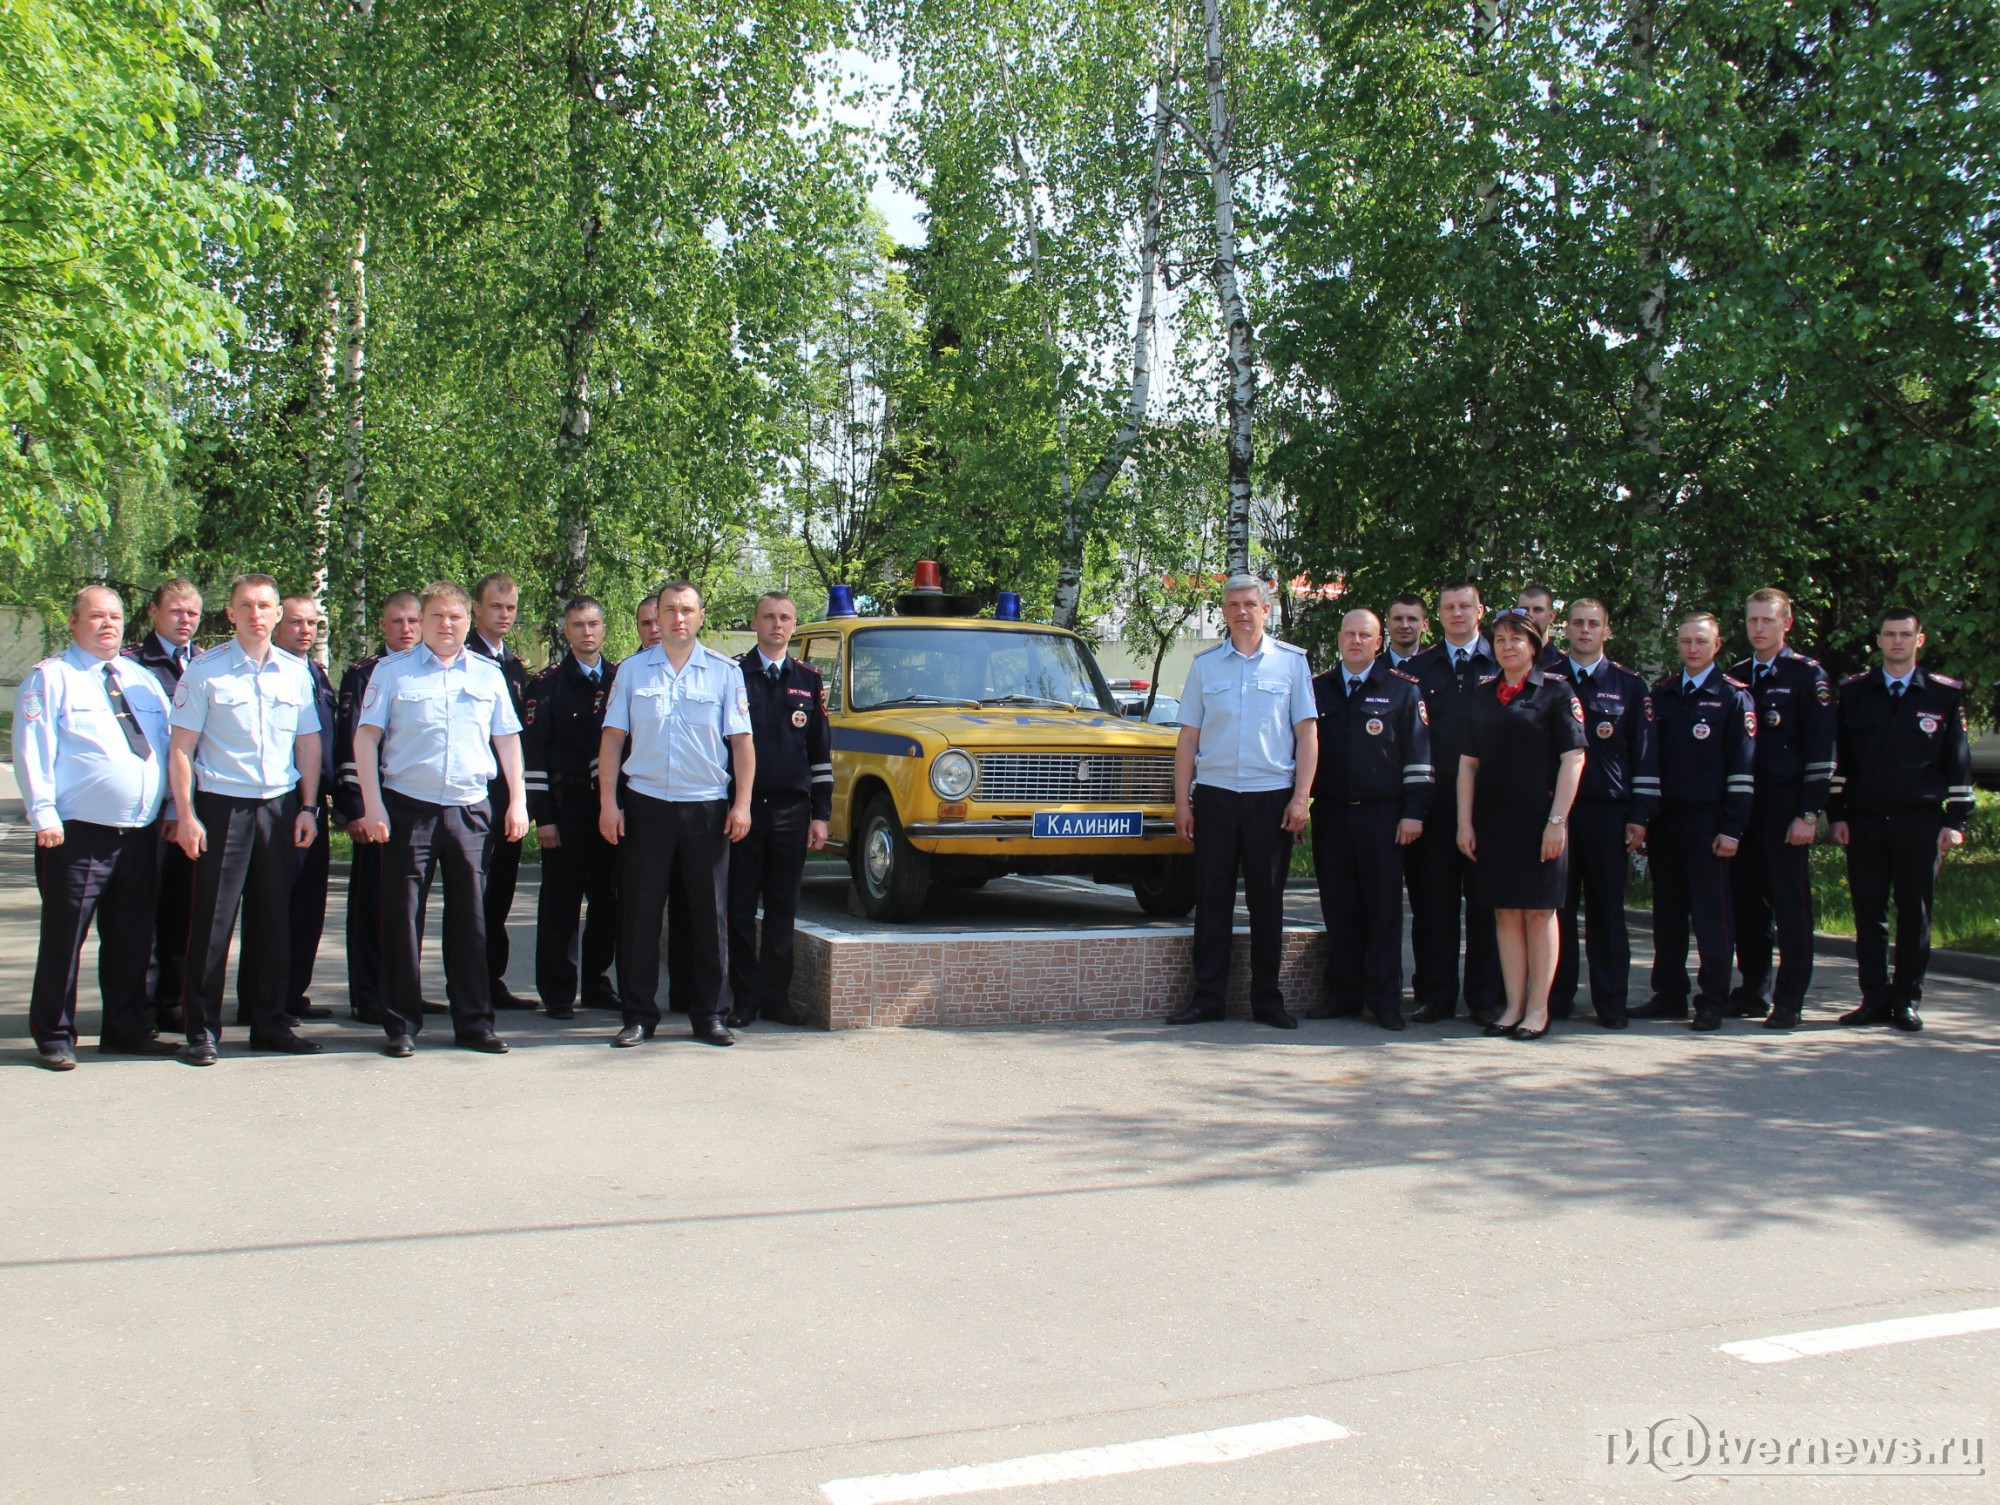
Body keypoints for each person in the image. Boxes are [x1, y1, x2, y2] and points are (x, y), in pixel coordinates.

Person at [352, 580, 527, 1057]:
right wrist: (373, 804)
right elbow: (365, 738)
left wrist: (518, 802)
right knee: (402, 919)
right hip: (408, 807)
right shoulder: (392, 672)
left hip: (471, 808)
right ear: (423, 621)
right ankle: (401, 1025)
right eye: (437, 617)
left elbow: (508, 740)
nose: (447, 625)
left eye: (455, 617)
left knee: (471, 919)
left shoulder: (488, 674)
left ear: (468, 620)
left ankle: (473, 1022)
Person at [17, 586, 179, 1069]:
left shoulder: (142, 681)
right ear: (73, 622)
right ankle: (54, 1034)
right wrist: (43, 815)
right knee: (66, 937)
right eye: (96, 617)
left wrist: (171, 808)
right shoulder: (52, 678)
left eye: (114, 616)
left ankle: (126, 1029)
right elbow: (33, 748)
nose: (108, 624)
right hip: (77, 833)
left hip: (140, 832)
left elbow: (167, 750)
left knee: (132, 938)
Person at [167, 573, 325, 1063]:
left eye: (264, 606)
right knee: (213, 923)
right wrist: (187, 813)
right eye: (246, 606)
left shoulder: (296, 673)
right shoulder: (205, 671)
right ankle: (202, 1031)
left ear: (277, 614)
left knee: (274, 922)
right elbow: (180, 749)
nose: (256, 615)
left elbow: (308, 743)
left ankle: (270, 1023)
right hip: (222, 806)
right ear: (230, 614)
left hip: (278, 808)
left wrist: (308, 806)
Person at [599, 581, 754, 1047]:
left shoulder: (726, 673)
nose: (678, 618)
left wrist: (742, 803)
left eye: (687, 610)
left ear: (701, 616)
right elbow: (611, 741)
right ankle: (639, 1015)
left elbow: (742, 744)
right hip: (646, 805)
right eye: (669, 610)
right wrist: (609, 802)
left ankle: (709, 1015)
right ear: (657, 617)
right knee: (641, 915)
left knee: (710, 916)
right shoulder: (631, 672)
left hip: (706, 805)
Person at [1167, 574, 1318, 1028]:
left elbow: (1307, 735)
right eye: (1233, 604)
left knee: (1266, 902)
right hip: (1214, 797)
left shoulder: (1291, 664)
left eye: (1251, 604)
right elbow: (1188, 739)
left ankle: (1267, 1001)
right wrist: (1181, 802)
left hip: (1269, 799)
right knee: (1211, 900)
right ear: (1225, 611)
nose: (1242, 612)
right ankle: (1207, 998)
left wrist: (1301, 799)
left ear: (1266, 609)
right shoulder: (1205, 666)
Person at [1827, 609, 1974, 1033]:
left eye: (1905, 635)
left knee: (1916, 912)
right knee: (1868, 914)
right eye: (1889, 634)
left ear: (1919, 641)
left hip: (1920, 821)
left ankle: (1907, 999)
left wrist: (1957, 820)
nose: (1897, 642)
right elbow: (1842, 762)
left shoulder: (1942, 696)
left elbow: (1958, 763)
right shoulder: (1855, 693)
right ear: (1877, 640)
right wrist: (1836, 814)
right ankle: (1873, 999)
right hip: (1866, 821)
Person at [1457, 611, 1586, 1039]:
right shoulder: (1482, 694)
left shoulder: (1556, 692)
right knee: (1505, 913)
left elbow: (1574, 759)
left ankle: (1538, 1009)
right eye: (1499, 639)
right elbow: (1468, 765)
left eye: (1517, 639)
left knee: (1538, 912)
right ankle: (1511, 1007)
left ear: (1534, 645)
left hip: (1539, 821)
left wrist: (1557, 821)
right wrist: (1464, 823)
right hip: (1494, 822)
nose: (1507, 646)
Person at [1307, 608, 1431, 1030]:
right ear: (1339, 639)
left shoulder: (1402, 691)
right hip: (1330, 813)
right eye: (1349, 634)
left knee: (1383, 910)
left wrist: (1414, 813)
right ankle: (1343, 993)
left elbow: (1418, 759)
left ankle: (1384, 1000)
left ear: (1379, 643)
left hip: (1383, 815)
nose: (1356, 641)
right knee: (1338, 906)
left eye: (1365, 635)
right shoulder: (1316, 690)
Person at [1637, 612, 1756, 1030]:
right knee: (1667, 912)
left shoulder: (1733, 696)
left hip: (1710, 821)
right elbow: (1648, 761)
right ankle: (1669, 993)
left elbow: (1742, 770)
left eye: (1700, 642)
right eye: (1686, 641)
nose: (1692, 648)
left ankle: (1713, 998)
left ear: (1717, 645)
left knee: (1712, 914)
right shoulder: (1663, 694)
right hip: (1667, 820)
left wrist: (1732, 827)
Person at [1728, 588, 1836, 1029]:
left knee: (1790, 906)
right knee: (1747, 904)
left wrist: (1809, 812)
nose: (1759, 629)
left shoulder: (1808, 677)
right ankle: (1754, 989)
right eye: (1753, 620)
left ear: (1786, 624)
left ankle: (1790, 998)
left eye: (1768, 621)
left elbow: (1822, 751)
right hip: (1744, 807)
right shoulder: (1736, 675)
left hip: (1786, 806)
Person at [1548, 598, 1658, 1028]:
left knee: (1607, 912)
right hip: (1558, 813)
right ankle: (1557, 998)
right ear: (1566, 630)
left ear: (1607, 631)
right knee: (1556, 908)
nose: (1585, 631)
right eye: (1577, 623)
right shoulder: (1549, 681)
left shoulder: (1630, 686)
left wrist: (1640, 815)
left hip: (1608, 814)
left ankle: (1610, 1002)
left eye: (1594, 624)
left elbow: (1644, 757)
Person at [726, 591, 832, 1028]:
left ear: (794, 624)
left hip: (791, 811)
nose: (777, 624)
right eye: (768, 616)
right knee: (737, 910)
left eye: (785, 617)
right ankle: (743, 1000)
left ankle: (776, 998)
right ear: (754, 622)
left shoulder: (807, 679)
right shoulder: (732, 674)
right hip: (743, 810)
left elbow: (820, 751)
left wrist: (821, 814)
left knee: (783, 909)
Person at [1404, 581, 1503, 1023]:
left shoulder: (1502, 661)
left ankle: (1485, 998)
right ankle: (1437, 994)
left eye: (1465, 606)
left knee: (1486, 905)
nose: (1458, 614)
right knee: (1435, 906)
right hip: (1438, 804)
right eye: (1449, 607)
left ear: (1480, 610)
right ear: (1437, 616)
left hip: (1492, 804)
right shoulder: (1419, 668)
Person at [522, 596, 621, 1020]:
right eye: (578, 625)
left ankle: (597, 984)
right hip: (567, 806)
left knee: (608, 899)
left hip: (610, 805)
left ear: (604, 629)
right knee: (561, 902)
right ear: (566, 631)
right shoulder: (546, 686)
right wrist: (543, 816)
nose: (586, 632)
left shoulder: (621, 679)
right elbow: (534, 757)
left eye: (593, 624)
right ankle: (558, 992)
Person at [334, 591, 423, 1025]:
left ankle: (406, 991)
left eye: (412, 621)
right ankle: (367, 995)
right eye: (396, 622)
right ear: (383, 627)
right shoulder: (365, 674)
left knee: (409, 907)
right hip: (376, 806)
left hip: (417, 807)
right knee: (372, 904)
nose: (406, 629)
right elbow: (352, 742)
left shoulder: (427, 667)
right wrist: (356, 808)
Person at [123, 576, 203, 1033]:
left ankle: (174, 1001)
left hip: (194, 809)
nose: (185, 620)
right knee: (144, 914)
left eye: (192, 612)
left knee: (185, 910)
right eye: (175, 611)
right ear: (154, 612)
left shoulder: (208, 664)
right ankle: (142, 1007)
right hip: (152, 811)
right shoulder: (134, 664)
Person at [466, 571, 534, 1009]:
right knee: (471, 897)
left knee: (500, 894)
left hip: (507, 798)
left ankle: (491, 979)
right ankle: (469, 986)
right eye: (496, 606)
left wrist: (522, 799)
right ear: (476, 609)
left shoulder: (513, 666)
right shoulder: (465, 657)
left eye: (510, 608)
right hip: (473, 796)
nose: (504, 615)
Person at [271, 595, 336, 1024]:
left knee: (308, 905)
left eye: (313, 623)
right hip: (280, 800)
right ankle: (268, 998)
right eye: (296, 622)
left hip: (314, 804)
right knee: (275, 904)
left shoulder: (315, 673)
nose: (306, 631)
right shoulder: (273, 670)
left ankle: (293, 992)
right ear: (277, 624)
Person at [1516, 585, 1568, 674]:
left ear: (1551, 616)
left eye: (1538, 610)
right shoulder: (1501, 660)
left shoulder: (1564, 665)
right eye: (1524, 610)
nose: (1530, 615)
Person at [1383, 595, 1429, 670]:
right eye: (1398, 619)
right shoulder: (1370, 669)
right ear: (1388, 624)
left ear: (1424, 625)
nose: (1404, 626)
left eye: (1412, 619)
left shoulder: (1439, 670)